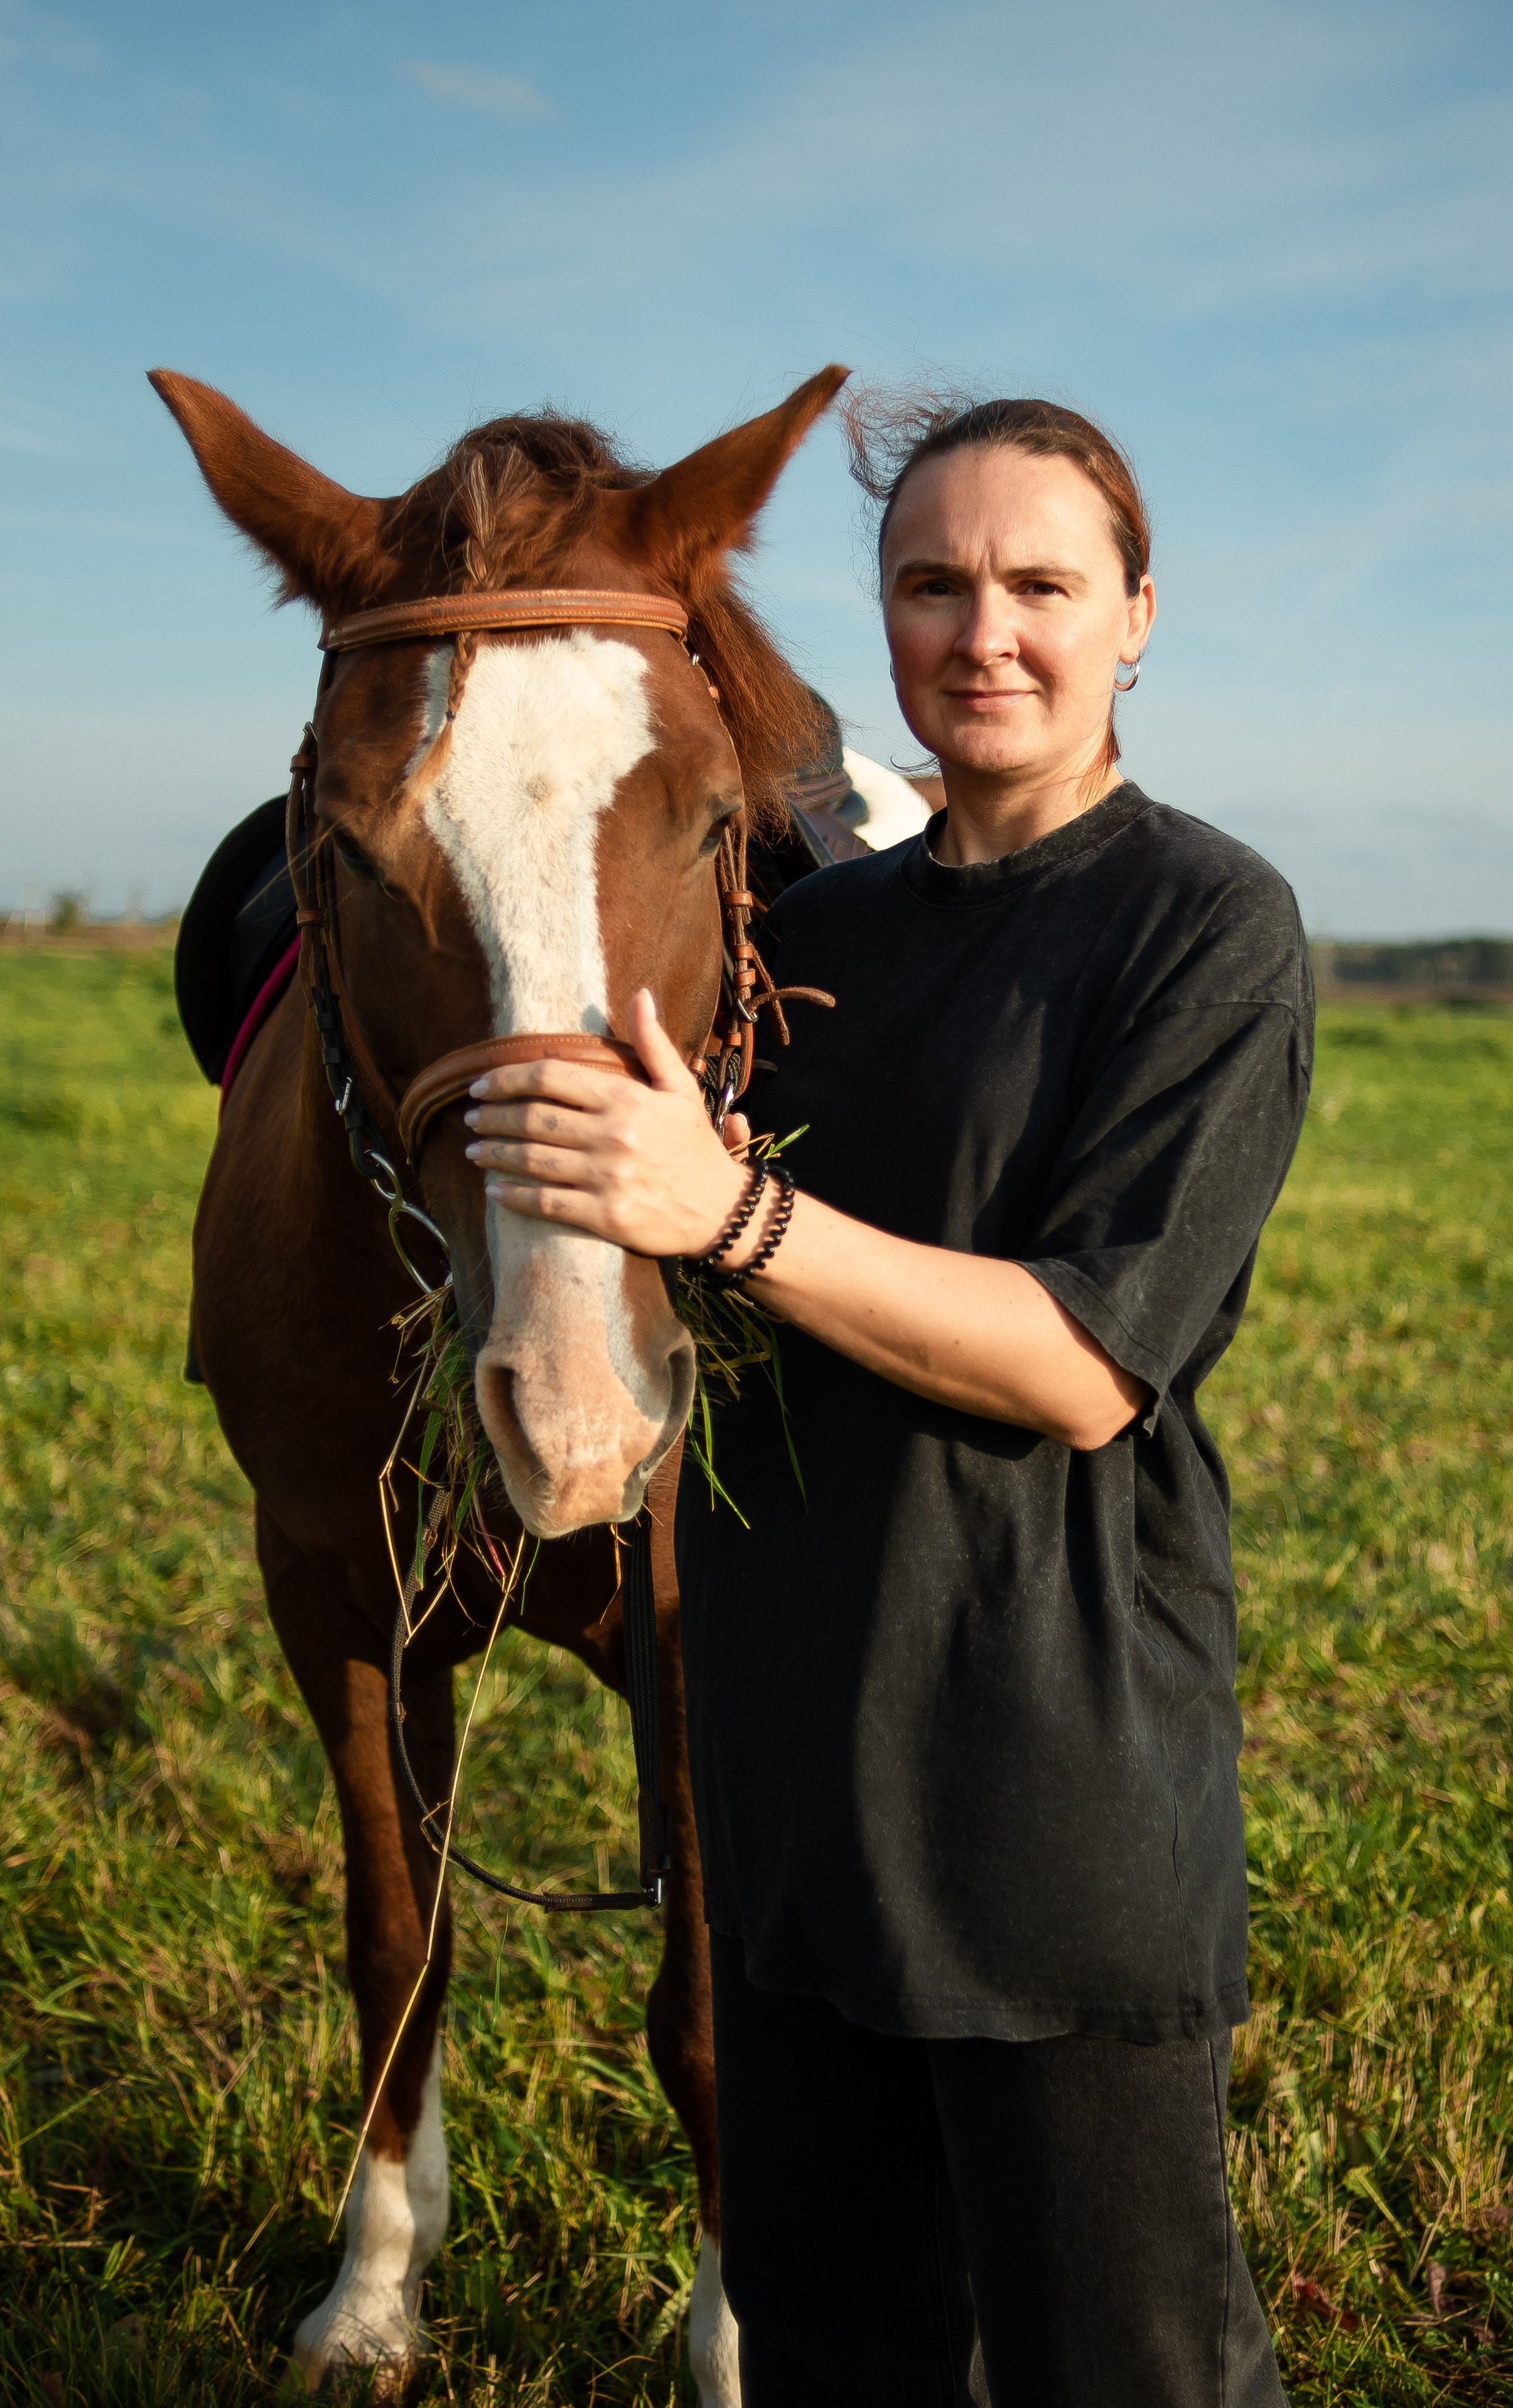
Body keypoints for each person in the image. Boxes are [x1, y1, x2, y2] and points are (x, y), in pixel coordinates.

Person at [463, 394, 1311, 2406]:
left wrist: (729, 1209)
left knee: (1126, 2365)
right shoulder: (803, 941)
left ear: (1136, 619)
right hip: (783, 1778)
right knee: (835, 2354)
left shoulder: (1206, 924)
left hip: (1049, 1792)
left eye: (1042, 584)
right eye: (933, 584)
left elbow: (1087, 1364)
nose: (983, 630)